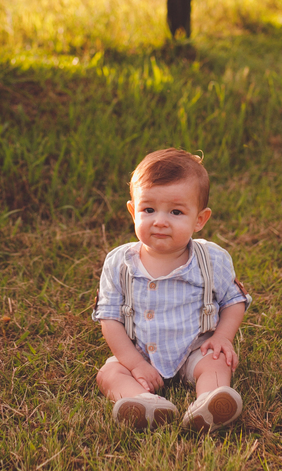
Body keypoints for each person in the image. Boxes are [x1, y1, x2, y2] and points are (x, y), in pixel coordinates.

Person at [92, 148, 250, 431]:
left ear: (200, 220)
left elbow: (234, 300)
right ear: (133, 211)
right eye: (148, 210)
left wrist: (223, 338)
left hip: (195, 349)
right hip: (139, 352)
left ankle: (211, 401)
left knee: (217, 363)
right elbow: (110, 319)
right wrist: (135, 364)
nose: (160, 220)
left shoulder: (211, 260)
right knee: (109, 372)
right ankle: (141, 404)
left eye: (176, 211)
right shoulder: (119, 263)